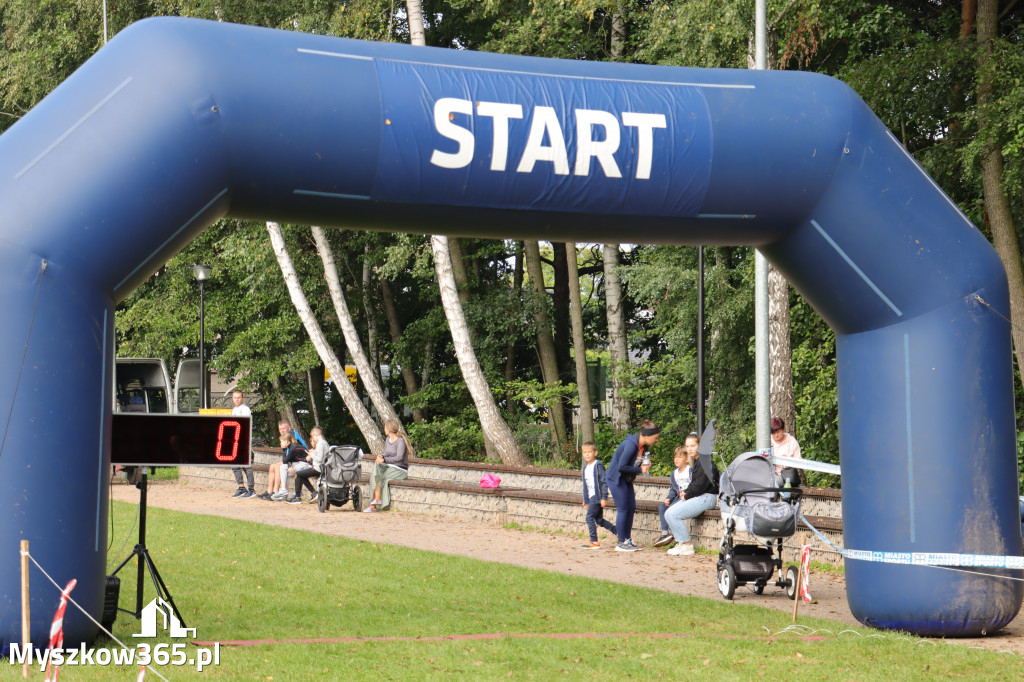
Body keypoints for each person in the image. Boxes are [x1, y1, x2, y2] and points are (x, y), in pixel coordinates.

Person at [606, 419, 657, 552]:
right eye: (655, 437)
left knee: (631, 507)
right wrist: (641, 470)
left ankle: (627, 540)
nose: (656, 440)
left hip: (626, 479)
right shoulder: (631, 445)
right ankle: (621, 542)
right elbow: (622, 466)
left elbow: (632, 464)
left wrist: (643, 465)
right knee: (623, 508)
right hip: (616, 478)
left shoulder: (643, 447)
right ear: (648, 435)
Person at [664, 438, 719, 556]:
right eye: (687, 446)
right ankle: (680, 542)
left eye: (692, 446)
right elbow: (695, 483)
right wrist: (686, 492)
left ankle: (687, 545)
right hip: (699, 496)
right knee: (668, 513)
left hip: (707, 497)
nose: (689, 449)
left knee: (674, 514)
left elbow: (702, 485)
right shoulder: (698, 461)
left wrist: (687, 495)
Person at [654, 434, 698, 548]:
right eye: (675, 457)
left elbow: (695, 484)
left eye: (680, 457)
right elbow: (674, 489)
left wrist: (688, 494)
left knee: (672, 511)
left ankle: (675, 534)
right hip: (678, 497)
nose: (676, 459)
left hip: (689, 497)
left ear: (687, 460)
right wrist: (669, 498)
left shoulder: (690, 470)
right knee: (663, 507)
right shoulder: (674, 473)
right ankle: (665, 532)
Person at [363, 419, 410, 512]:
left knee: (381, 476)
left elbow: (399, 458)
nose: (384, 429)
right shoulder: (388, 439)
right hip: (390, 466)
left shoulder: (400, 441)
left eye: (385, 427)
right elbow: (387, 453)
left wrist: (385, 460)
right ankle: (376, 500)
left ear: (389, 429)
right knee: (376, 470)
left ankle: (374, 504)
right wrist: (382, 456)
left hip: (400, 469)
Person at [579, 441, 616, 549]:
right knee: (599, 520)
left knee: (589, 518)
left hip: (597, 496)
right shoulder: (585, 468)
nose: (587, 454)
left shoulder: (598, 465)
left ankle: (594, 541)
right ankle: (617, 531)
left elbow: (603, 482)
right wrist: (586, 500)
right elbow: (585, 485)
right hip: (591, 497)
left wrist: (604, 497)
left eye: (589, 452)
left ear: (595, 452)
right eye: (584, 452)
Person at [259, 420, 308, 500]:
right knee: (272, 466)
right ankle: (269, 491)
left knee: (279, 467)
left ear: (289, 428)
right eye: (280, 429)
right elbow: (286, 454)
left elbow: (292, 454)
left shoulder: (291, 435)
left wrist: (288, 465)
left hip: (301, 461)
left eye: (283, 428)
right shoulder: (285, 437)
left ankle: (277, 492)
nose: (282, 430)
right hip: (293, 459)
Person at [229, 390, 257, 499]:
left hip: (244, 441)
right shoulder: (234, 410)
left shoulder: (245, 409)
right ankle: (241, 487)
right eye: (235, 398)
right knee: (234, 465)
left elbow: (243, 424)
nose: (236, 399)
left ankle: (251, 489)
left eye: (238, 397)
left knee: (246, 465)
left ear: (242, 398)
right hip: (235, 442)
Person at [292, 426, 328, 504]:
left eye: (312, 436)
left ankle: (298, 497)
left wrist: (312, 455)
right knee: (301, 474)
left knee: (298, 474)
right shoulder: (324, 442)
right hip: (321, 467)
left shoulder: (320, 443)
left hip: (318, 468)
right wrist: (314, 453)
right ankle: (313, 493)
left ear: (316, 435)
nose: (312, 438)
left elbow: (319, 459)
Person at [770, 417, 802, 483]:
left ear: (783, 430)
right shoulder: (768, 441)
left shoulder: (792, 441)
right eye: (773, 433)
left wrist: (787, 461)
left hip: (788, 476)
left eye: (778, 432)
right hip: (771, 476)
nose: (776, 435)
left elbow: (799, 461)